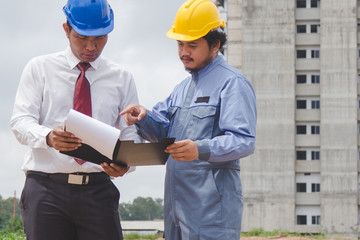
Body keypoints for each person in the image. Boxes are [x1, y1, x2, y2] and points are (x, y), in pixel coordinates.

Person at [120, 0, 257, 239]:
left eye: (192, 45)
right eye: (180, 44)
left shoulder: (232, 83)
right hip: (176, 213)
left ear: (215, 44)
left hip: (212, 214)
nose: (184, 52)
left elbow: (244, 141)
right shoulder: (182, 88)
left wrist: (200, 148)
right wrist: (143, 116)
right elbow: (163, 131)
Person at [10, 0, 141, 239]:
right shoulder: (39, 68)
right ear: (66, 29)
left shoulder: (121, 78)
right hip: (46, 189)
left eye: (100, 37)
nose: (91, 46)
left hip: (98, 190)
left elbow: (130, 133)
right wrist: (48, 137)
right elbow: (20, 121)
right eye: (82, 37)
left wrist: (125, 165)